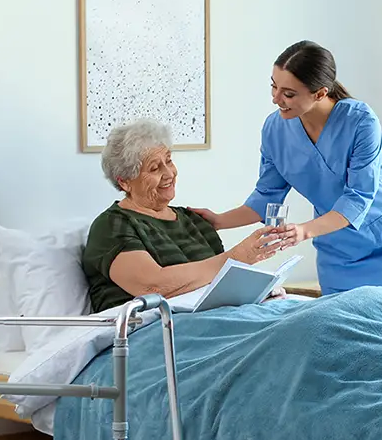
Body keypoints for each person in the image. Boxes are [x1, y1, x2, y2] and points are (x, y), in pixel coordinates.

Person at [190, 40, 382, 297]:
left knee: (378, 318)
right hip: (335, 248)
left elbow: (358, 198)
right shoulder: (275, 129)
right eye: (274, 86)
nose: (276, 99)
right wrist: (219, 221)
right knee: (336, 321)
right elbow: (266, 196)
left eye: (288, 94)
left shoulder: (361, 122)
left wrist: (303, 231)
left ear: (320, 93)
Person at [82, 118, 284, 312]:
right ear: (125, 182)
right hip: (155, 326)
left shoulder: (194, 220)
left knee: (297, 314)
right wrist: (238, 257)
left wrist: (258, 292)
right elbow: (153, 286)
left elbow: (219, 286)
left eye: (169, 160)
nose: (169, 173)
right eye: (154, 168)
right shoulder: (112, 225)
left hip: (213, 318)